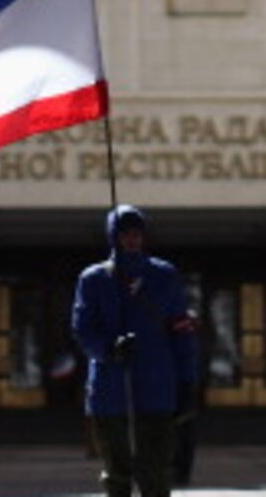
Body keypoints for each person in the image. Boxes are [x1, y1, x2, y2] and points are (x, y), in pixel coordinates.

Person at [72, 205, 199, 497]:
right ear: (113, 236)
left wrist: (187, 380)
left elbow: (181, 331)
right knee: (117, 473)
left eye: (136, 233)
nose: (132, 240)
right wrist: (108, 349)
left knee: (155, 471)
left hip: (157, 388)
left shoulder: (164, 275)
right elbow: (82, 329)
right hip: (111, 391)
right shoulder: (93, 279)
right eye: (124, 233)